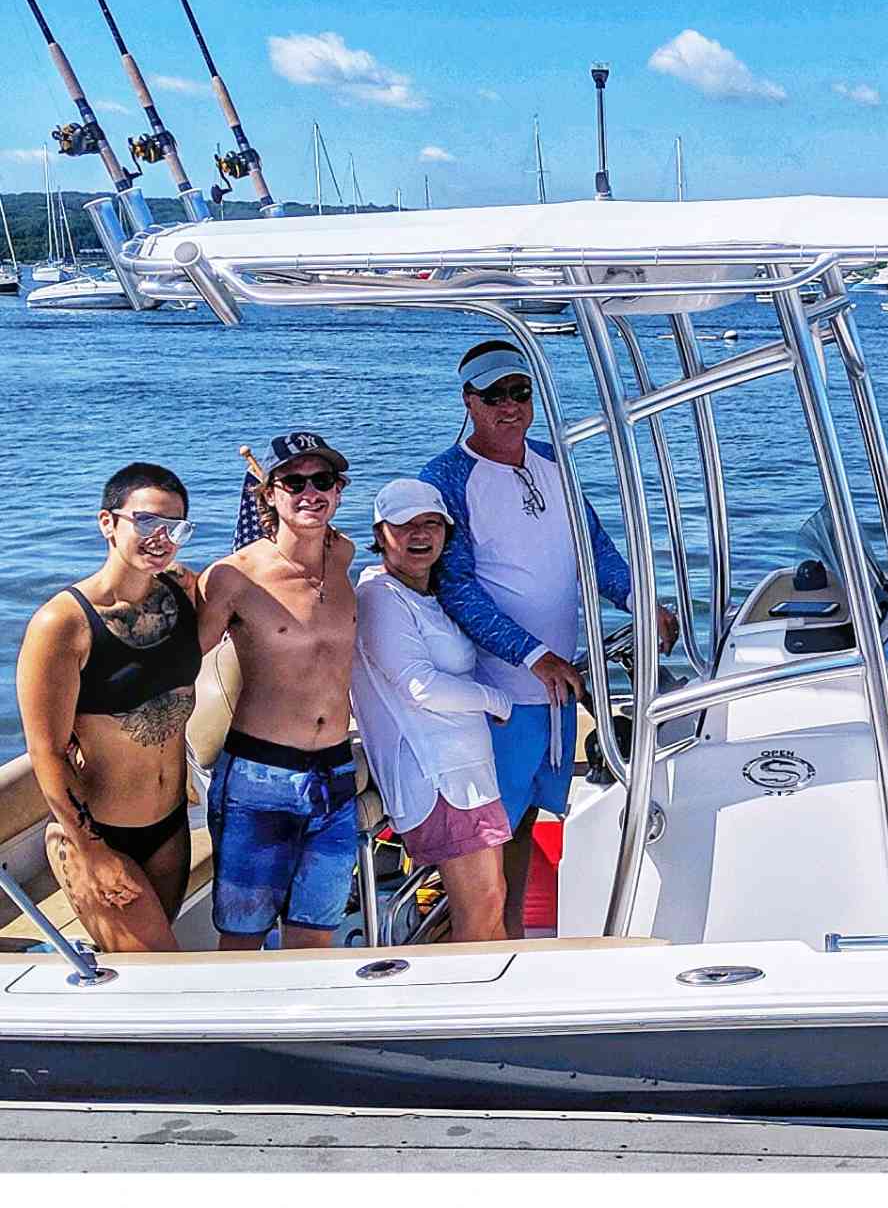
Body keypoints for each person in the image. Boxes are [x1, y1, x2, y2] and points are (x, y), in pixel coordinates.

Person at [421, 340, 678, 938]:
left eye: (519, 393)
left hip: (559, 692)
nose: (509, 406)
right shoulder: (445, 480)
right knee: (488, 833)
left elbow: (596, 550)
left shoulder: (553, 463)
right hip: (499, 694)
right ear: (469, 401)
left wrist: (644, 604)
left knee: (527, 819)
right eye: (493, 396)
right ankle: (474, 951)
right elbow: (456, 589)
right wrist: (533, 656)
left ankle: (507, 941)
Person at [16, 463, 202, 952]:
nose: (161, 538)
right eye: (145, 523)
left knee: (153, 971)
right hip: (102, 834)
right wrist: (92, 850)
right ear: (108, 523)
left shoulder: (182, 594)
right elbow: (47, 753)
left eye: (175, 527)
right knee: (164, 976)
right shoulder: (62, 624)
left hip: (170, 827)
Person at [195, 431, 358, 950]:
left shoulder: (344, 553)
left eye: (323, 480)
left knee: (315, 938)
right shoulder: (232, 577)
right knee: (243, 943)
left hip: (335, 774)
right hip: (258, 779)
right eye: (293, 482)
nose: (310, 493)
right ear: (267, 494)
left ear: (339, 490)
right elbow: (178, 665)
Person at [351, 478, 512, 943]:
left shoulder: (427, 596)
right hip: (436, 780)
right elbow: (420, 686)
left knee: (490, 904)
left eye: (431, 524)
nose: (420, 536)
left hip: (468, 775)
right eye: (405, 527)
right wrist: (494, 700)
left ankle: (495, 1011)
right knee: (480, 911)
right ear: (381, 535)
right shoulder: (380, 596)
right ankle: (461, 1011)